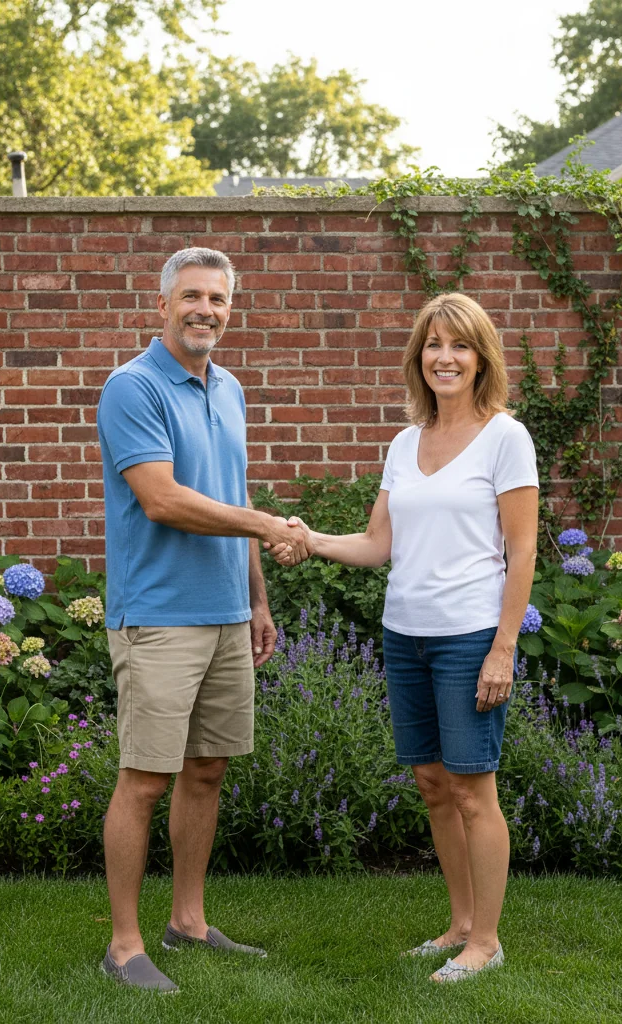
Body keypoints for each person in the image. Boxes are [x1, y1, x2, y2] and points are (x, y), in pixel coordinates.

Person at [270, 293, 538, 984]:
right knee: (431, 781)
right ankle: (456, 924)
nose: (445, 357)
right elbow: (377, 544)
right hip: (405, 634)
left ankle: (486, 940)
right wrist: (308, 539)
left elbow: (523, 547)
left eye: (460, 345)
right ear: (419, 356)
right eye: (433, 344)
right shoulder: (403, 443)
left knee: (474, 789)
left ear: (482, 359)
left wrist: (503, 644)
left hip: (469, 635)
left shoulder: (506, 437)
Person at [95, 246, 309, 993]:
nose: (205, 310)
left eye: (217, 299)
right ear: (161, 305)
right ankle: (124, 946)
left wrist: (255, 597)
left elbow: (228, 488)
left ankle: (187, 921)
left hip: (224, 612)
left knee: (208, 770)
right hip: (157, 617)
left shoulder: (230, 388)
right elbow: (164, 499)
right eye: (192, 296)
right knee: (145, 780)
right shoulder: (133, 388)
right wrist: (265, 523)